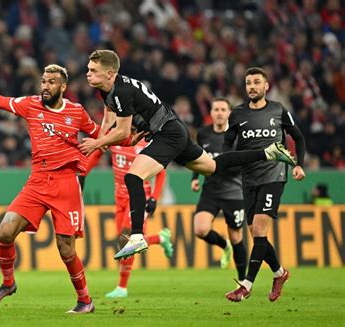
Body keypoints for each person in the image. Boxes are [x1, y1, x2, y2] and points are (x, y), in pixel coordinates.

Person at [78, 50, 297, 260]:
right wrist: (105, 139)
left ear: (109, 74)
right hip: (172, 130)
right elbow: (109, 124)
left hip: (168, 133)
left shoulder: (121, 91)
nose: (88, 73)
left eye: (93, 70)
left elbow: (122, 131)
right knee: (213, 166)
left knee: (133, 177)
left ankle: (137, 236)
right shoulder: (108, 91)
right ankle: (268, 152)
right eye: (88, 69)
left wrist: (98, 142)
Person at [0, 64, 98, 314]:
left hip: (66, 182)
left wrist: (90, 158)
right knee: (5, 232)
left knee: (66, 249)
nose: (46, 86)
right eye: (44, 81)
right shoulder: (30, 105)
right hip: (37, 181)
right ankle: (7, 283)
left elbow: (99, 137)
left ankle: (85, 301)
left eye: (52, 82)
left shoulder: (77, 112)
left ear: (64, 86)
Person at [224, 67, 306, 302]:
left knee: (259, 230)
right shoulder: (237, 114)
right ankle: (280, 273)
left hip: (274, 175)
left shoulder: (279, 110)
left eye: (256, 82)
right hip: (248, 177)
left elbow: (298, 137)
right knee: (257, 235)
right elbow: (227, 145)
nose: (252, 86)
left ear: (266, 86)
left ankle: (246, 285)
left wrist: (299, 165)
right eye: (248, 83)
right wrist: (223, 162)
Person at [81, 134, 173, 298]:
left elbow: (161, 171)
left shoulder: (146, 143)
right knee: (123, 240)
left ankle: (122, 287)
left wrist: (154, 198)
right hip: (119, 198)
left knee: (128, 240)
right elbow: (97, 154)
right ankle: (159, 238)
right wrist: (82, 174)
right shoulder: (115, 138)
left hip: (138, 198)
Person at [191, 98, 247, 281]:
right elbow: (198, 158)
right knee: (200, 229)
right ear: (212, 113)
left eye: (223, 109)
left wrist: (223, 165)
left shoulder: (238, 136)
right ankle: (224, 246)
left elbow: (244, 162)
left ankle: (243, 280)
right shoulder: (204, 134)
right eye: (216, 109)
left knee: (237, 236)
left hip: (234, 191)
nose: (220, 113)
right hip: (211, 190)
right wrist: (195, 178)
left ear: (229, 113)